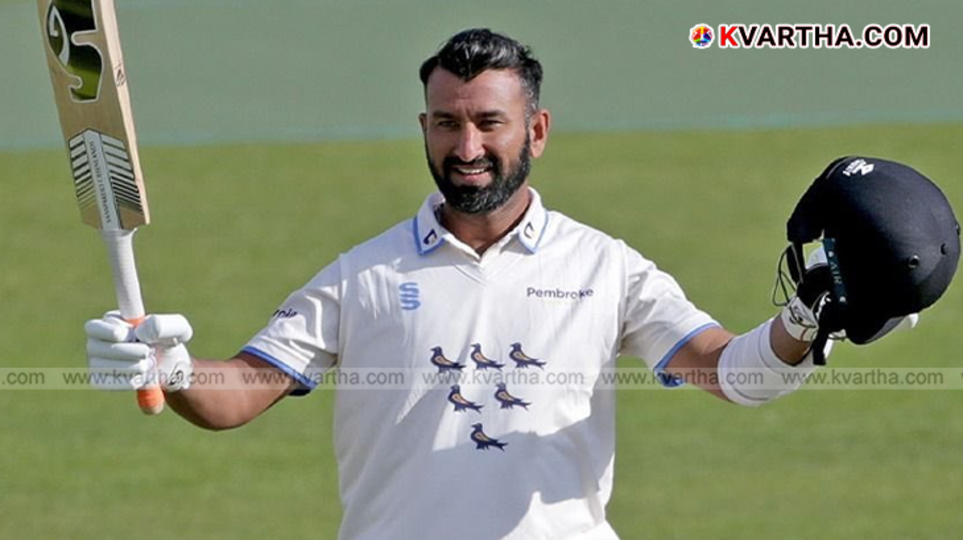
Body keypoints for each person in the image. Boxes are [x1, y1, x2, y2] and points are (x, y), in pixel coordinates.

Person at [85, 28, 835, 540]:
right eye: (446, 123)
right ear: (422, 127)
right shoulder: (363, 276)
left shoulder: (605, 267)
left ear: (535, 130)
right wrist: (173, 370)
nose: (466, 147)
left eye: (488, 122)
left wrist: (806, 315)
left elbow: (739, 376)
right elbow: (239, 391)